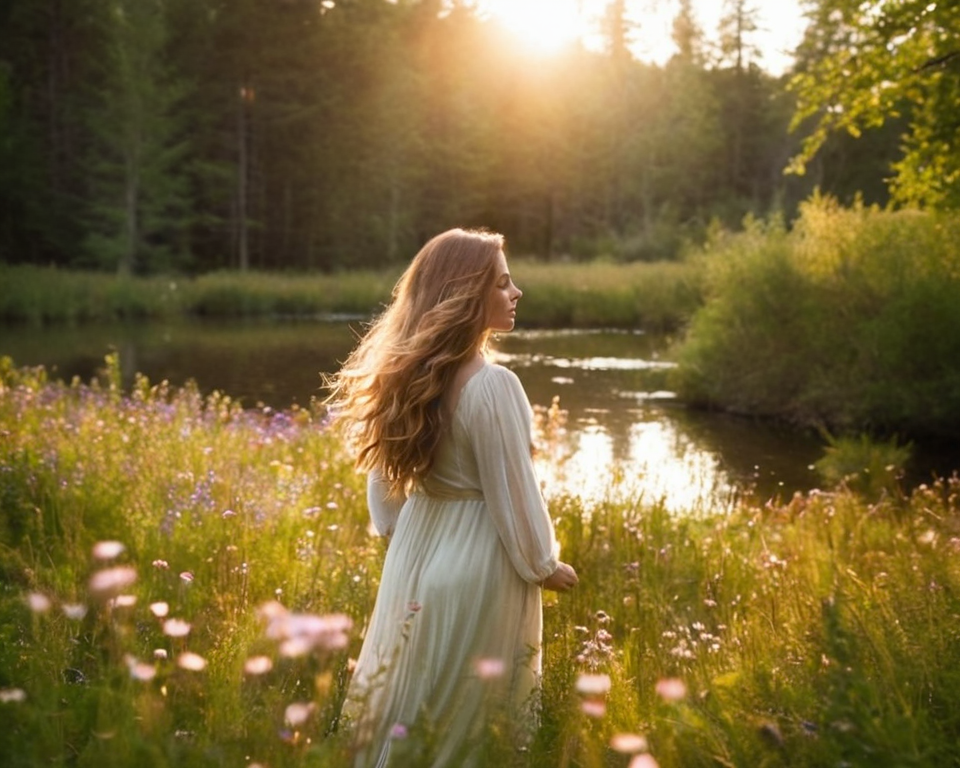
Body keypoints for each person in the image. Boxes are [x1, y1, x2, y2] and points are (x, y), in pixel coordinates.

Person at [326, 228, 578, 767]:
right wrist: (543, 565)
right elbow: (513, 491)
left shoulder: (407, 374)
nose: (517, 294)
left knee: (410, 701)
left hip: (417, 547)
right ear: (468, 295)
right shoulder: (493, 385)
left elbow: (383, 489)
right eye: (504, 284)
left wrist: (401, 533)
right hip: (479, 560)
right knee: (469, 723)